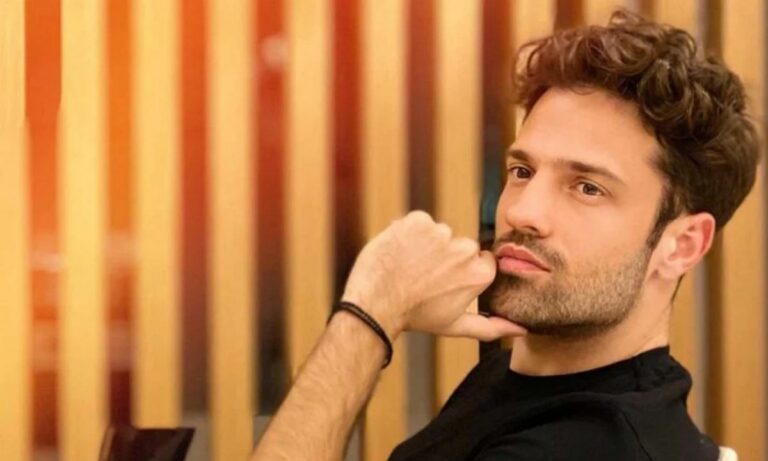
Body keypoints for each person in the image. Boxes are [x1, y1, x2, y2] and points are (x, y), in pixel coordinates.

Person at [251, 10, 760, 461]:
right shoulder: (535, 376)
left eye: (587, 188)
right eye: (523, 171)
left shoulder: (585, 446)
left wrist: (370, 315)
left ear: (682, 245)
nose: (522, 211)